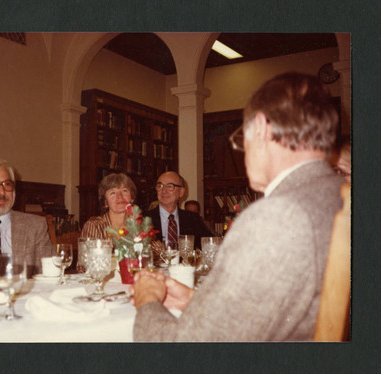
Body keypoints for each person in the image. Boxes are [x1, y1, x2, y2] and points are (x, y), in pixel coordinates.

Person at [130, 72, 344, 341]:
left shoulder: (274, 216)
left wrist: (147, 301)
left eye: (243, 139)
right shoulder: (339, 196)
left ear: (262, 127)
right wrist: (196, 301)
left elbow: (185, 350)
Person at [144, 171, 214, 253]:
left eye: (170, 186)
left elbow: (211, 244)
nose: (163, 191)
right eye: (160, 186)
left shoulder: (192, 219)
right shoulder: (144, 219)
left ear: (181, 192)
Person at [80, 173, 137, 239]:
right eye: (112, 193)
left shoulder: (140, 227)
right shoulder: (95, 226)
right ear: (105, 202)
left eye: (124, 191)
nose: (120, 196)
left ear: (132, 198)